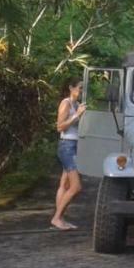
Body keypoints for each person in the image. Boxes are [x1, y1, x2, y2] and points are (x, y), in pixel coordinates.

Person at [51, 77, 86, 231]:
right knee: (76, 186)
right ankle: (56, 218)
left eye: (83, 88)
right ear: (71, 88)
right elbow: (60, 127)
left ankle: (61, 220)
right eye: (80, 88)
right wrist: (76, 115)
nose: (82, 91)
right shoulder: (66, 103)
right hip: (67, 146)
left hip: (75, 145)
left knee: (64, 184)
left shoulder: (77, 105)